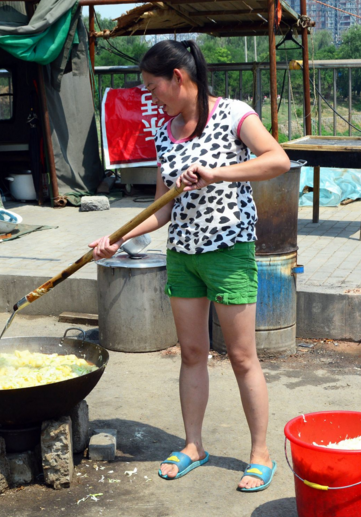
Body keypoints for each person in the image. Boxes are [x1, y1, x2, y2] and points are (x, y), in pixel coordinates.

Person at [89, 39, 290, 492]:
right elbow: (161, 209)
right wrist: (117, 239)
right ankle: (194, 445)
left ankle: (260, 454)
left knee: (242, 356)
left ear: (178, 78)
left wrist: (217, 173)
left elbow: (277, 160)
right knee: (193, 353)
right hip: (183, 255)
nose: (150, 96)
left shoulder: (234, 114)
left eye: (152, 86)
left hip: (229, 251)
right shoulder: (166, 131)